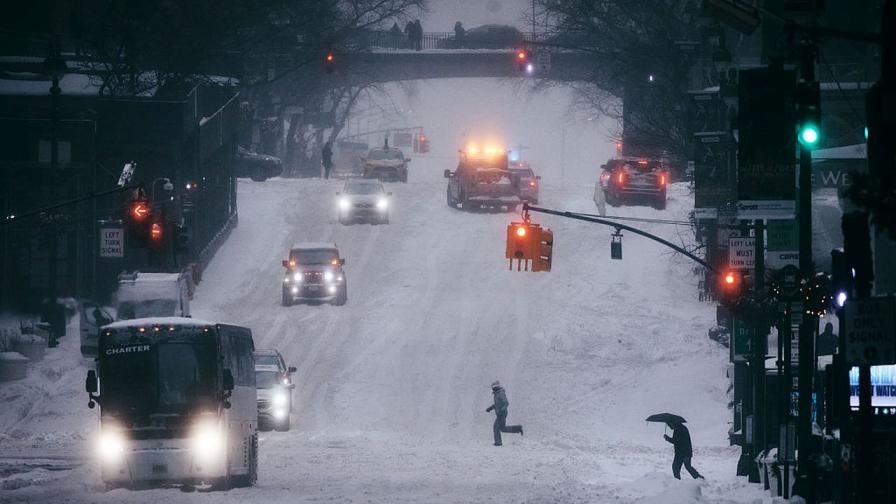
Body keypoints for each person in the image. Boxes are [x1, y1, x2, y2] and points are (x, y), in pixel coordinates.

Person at [485, 380, 523, 446]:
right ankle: (518, 428)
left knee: (496, 427)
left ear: (495, 387)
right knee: (502, 428)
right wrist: (490, 408)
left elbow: (506, 403)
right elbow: (497, 404)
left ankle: (498, 442)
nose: (492, 389)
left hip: (502, 414)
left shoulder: (500, 393)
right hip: (500, 413)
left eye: (493, 388)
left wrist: (502, 410)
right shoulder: (497, 394)